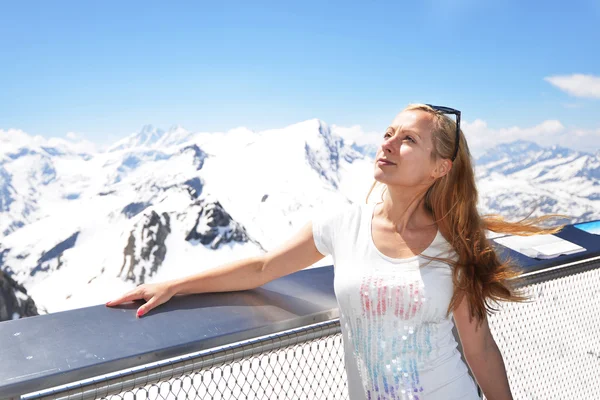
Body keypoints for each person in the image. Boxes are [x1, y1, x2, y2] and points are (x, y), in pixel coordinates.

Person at [106, 103, 567, 399]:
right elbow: (263, 267)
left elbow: (478, 344)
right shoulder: (340, 223)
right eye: (389, 132)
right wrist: (173, 284)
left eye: (408, 140)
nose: (388, 143)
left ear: (439, 168)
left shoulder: (457, 245)